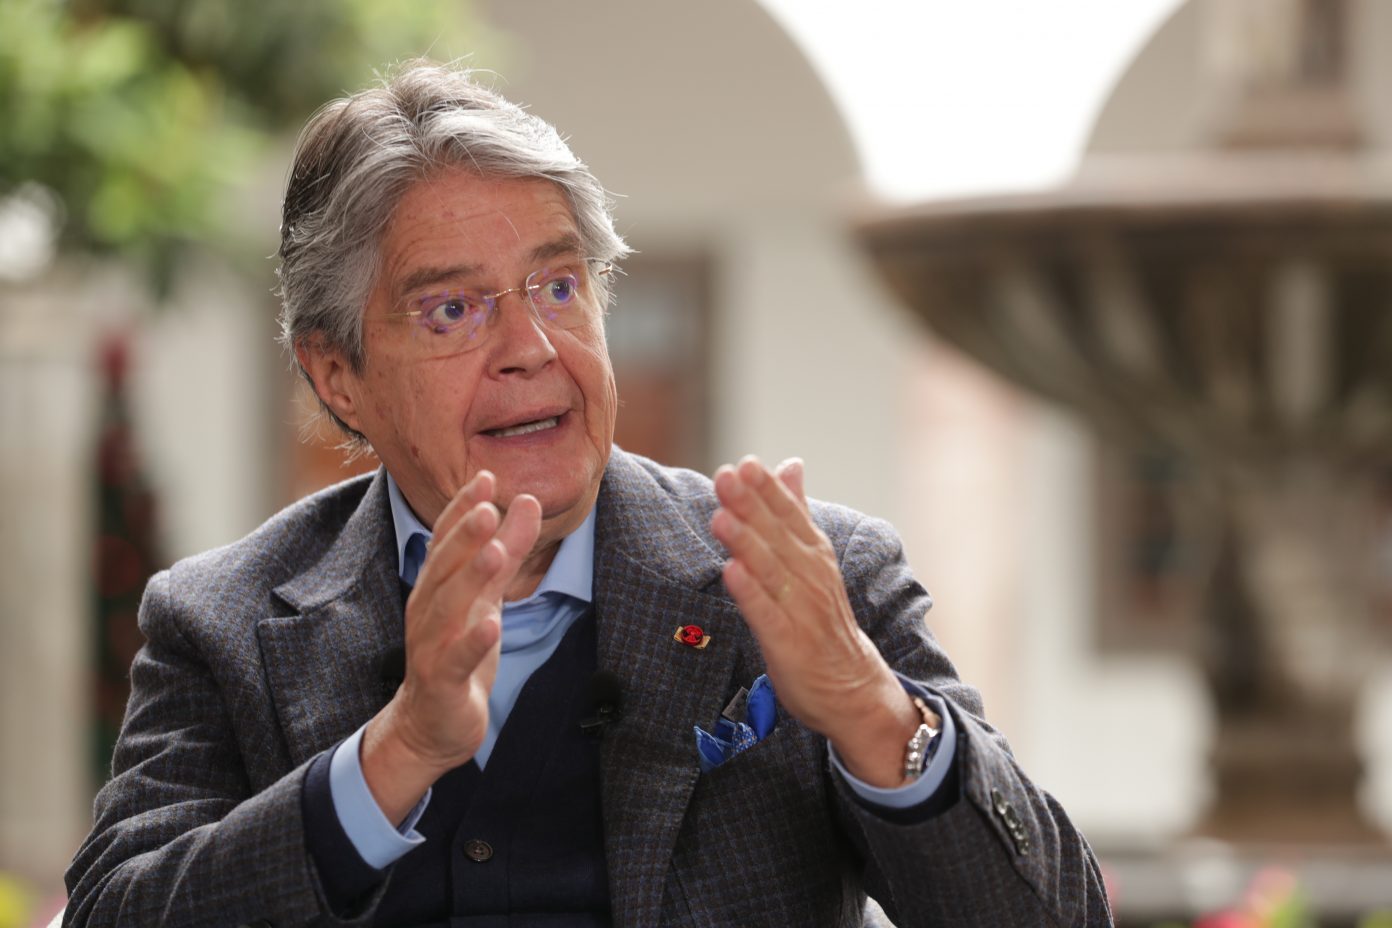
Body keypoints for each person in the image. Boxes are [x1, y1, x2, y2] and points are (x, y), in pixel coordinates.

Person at [63, 61, 1112, 927]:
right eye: (452, 310)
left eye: (559, 287)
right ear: (337, 374)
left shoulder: (811, 576)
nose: (530, 347)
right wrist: (398, 753)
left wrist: (871, 713)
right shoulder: (223, 623)